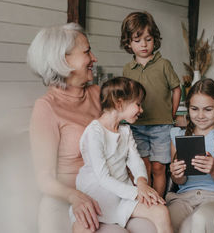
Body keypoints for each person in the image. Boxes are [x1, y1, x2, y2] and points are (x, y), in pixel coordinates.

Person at [28, 23, 157, 233]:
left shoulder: (99, 93)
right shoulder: (46, 107)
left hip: (113, 195)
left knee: (151, 227)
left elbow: (125, 140)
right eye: (87, 51)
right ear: (64, 60)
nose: (94, 58)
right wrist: (75, 196)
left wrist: (141, 180)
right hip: (72, 202)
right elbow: (44, 178)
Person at [71, 77, 173, 233]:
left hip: (123, 198)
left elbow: (136, 161)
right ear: (119, 103)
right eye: (138, 104)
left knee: (161, 211)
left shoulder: (125, 131)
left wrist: (142, 183)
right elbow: (102, 177)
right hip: (97, 198)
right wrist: (136, 192)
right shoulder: (95, 132)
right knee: (83, 227)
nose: (141, 110)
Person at [121, 11, 181, 197]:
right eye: (138, 41)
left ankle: (159, 200)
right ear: (129, 43)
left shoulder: (164, 64)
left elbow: (176, 88)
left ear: (155, 39)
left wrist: (171, 113)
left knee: (158, 168)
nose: (144, 45)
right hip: (137, 126)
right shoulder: (127, 69)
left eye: (148, 39)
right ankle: (145, 200)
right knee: (142, 168)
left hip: (161, 126)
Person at [167, 78, 214, 233]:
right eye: (194, 109)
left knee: (197, 222)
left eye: (208, 109)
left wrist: (213, 169)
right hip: (184, 197)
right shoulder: (177, 135)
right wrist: (176, 174)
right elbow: (180, 181)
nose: (200, 115)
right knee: (166, 221)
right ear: (188, 109)